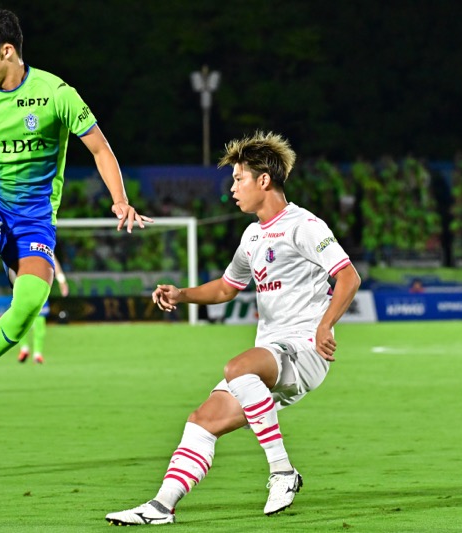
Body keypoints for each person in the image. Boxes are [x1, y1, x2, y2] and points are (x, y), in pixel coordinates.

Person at [106, 131, 361, 525]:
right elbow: (228, 287)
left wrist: (326, 325)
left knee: (237, 367)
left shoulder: (304, 225)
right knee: (201, 420)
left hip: (303, 349)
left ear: (263, 180)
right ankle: (161, 506)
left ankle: (282, 471)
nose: (232, 188)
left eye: (239, 179)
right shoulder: (253, 235)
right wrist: (182, 294)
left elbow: (348, 277)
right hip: (271, 357)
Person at [0, 9, 151, 414]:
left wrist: (119, 199)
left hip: (34, 215)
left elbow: (99, 147)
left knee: (31, 299)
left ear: (7, 50)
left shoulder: (57, 94)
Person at [17, 254, 69, 364]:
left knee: (38, 321)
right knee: (22, 319)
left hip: (39, 286)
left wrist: (61, 280)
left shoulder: (42, 242)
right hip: (25, 285)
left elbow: (54, 260)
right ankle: (25, 349)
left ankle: (37, 354)